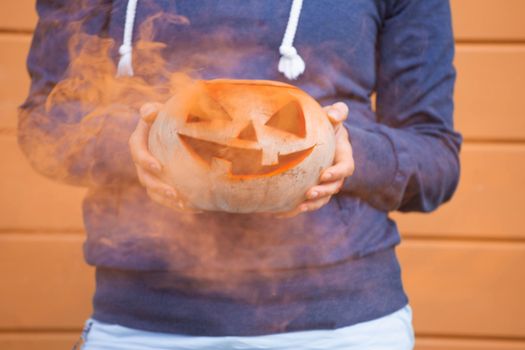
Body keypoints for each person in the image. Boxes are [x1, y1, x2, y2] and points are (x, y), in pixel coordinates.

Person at [19, 0, 461, 349]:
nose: (246, 140)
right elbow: (45, 123)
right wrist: (133, 146)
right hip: (145, 325)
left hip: (342, 327)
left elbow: (436, 156)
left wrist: (350, 154)